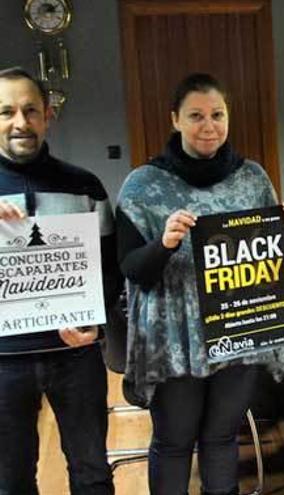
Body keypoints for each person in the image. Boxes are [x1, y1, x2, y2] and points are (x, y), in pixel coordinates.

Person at [116, 73, 284, 495]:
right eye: (196, 115)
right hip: (173, 336)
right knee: (174, 441)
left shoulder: (252, 177)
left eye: (217, 114)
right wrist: (163, 244)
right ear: (175, 120)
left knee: (221, 437)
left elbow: (270, 257)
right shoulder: (142, 185)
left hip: (238, 327)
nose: (208, 125)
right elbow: (131, 268)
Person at [0, 67, 119, 494]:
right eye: (7, 111)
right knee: (10, 480)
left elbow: (110, 269)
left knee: (91, 472)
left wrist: (96, 323)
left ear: (48, 115)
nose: (20, 122)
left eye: (31, 110)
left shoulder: (84, 186)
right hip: (4, 360)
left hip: (75, 357)